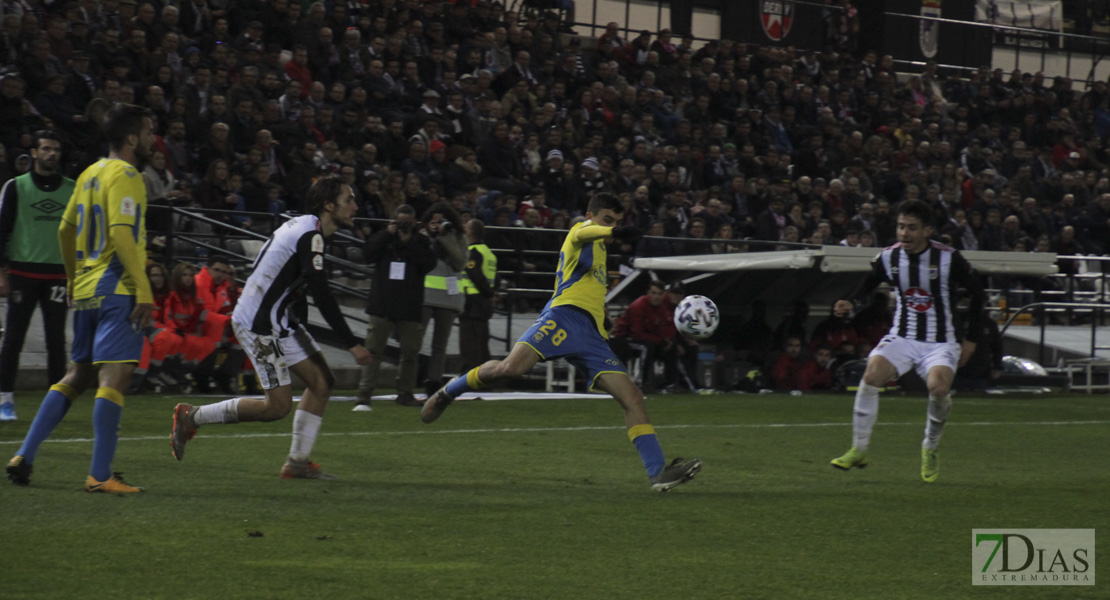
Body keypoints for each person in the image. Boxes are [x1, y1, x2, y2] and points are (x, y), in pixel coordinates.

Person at [421, 193, 702, 492]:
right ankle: (450, 390)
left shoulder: (602, 253)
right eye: (608, 219)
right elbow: (586, 229)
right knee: (510, 369)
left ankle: (658, 473)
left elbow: (591, 288)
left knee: (632, 397)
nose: (612, 226)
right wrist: (613, 231)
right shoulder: (578, 233)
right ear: (591, 216)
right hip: (562, 319)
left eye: (618, 222)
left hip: (592, 335)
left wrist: (603, 317)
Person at [169, 175, 372, 480]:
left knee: (321, 382)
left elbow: (292, 279)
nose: (355, 207)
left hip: (278, 319)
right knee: (276, 407)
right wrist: (351, 343)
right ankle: (192, 416)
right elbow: (321, 291)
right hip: (259, 325)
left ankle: (297, 463)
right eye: (349, 200)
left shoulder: (304, 227)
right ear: (329, 205)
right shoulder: (312, 236)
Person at [6, 105, 156, 493]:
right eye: (150, 132)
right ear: (132, 139)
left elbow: (65, 229)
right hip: (117, 288)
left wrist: (73, 279)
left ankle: (24, 454)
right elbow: (123, 234)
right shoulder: (127, 174)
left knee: (77, 375)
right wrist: (144, 289)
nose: (154, 139)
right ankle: (101, 475)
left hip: (87, 289)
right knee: (115, 377)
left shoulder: (88, 174)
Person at [830, 199, 986, 483]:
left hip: (941, 340)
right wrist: (848, 301)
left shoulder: (949, 258)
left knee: (938, 388)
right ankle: (859, 448)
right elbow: (869, 282)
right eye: (901, 226)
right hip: (903, 336)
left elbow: (979, 294)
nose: (904, 233)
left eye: (912, 228)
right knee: (871, 375)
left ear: (927, 230)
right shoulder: (888, 257)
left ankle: (930, 446)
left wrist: (972, 339)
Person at [0, 130, 74, 421]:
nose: (51, 154)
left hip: (57, 274)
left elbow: (80, 232)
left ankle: (55, 402)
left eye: (55, 149)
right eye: (45, 149)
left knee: (56, 341)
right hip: (21, 271)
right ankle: (5, 399)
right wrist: (1, 272)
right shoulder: (16, 187)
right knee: (13, 339)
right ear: (34, 153)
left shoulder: (72, 188)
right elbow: (2, 230)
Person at [354, 204, 437, 409]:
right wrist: (386, 234)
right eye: (400, 222)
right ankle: (364, 394)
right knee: (373, 351)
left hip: (409, 305)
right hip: (382, 303)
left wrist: (408, 241)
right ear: (393, 221)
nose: (403, 227)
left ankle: (405, 393)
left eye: (407, 223)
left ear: (415, 223)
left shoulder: (421, 241)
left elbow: (428, 264)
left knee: (410, 353)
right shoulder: (384, 238)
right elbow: (367, 254)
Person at [418, 202, 468, 397]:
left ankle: (434, 381)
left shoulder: (457, 237)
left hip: (448, 298)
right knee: (415, 341)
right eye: (433, 221)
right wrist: (429, 236)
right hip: (424, 296)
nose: (437, 224)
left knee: (440, 345)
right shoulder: (421, 236)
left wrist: (445, 237)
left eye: (441, 221)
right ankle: (406, 381)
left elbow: (460, 262)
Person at [610, 279, 695, 392]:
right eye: (653, 293)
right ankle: (642, 383)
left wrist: (668, 341)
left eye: (659, 294)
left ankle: (671, 384)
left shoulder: (662, 307)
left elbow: (662, 328)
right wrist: (660, 341)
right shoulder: (639, 306)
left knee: (671, 347)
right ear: (648, 293)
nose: (656, 297)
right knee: (646, 347)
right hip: (624, 339)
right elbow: (637, 334)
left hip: (646, 339)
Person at [458, 218, 498, 372]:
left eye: (466, 227)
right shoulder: (489, 253)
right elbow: (496, 277)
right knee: (481, 345)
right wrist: (493, 293)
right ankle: (484, 379)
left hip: (472, 303)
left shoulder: (472, 252)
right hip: (484, 305)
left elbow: (476, 275)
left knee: (469, 346)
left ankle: (469, 381)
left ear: (469, 232)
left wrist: (489, 293)